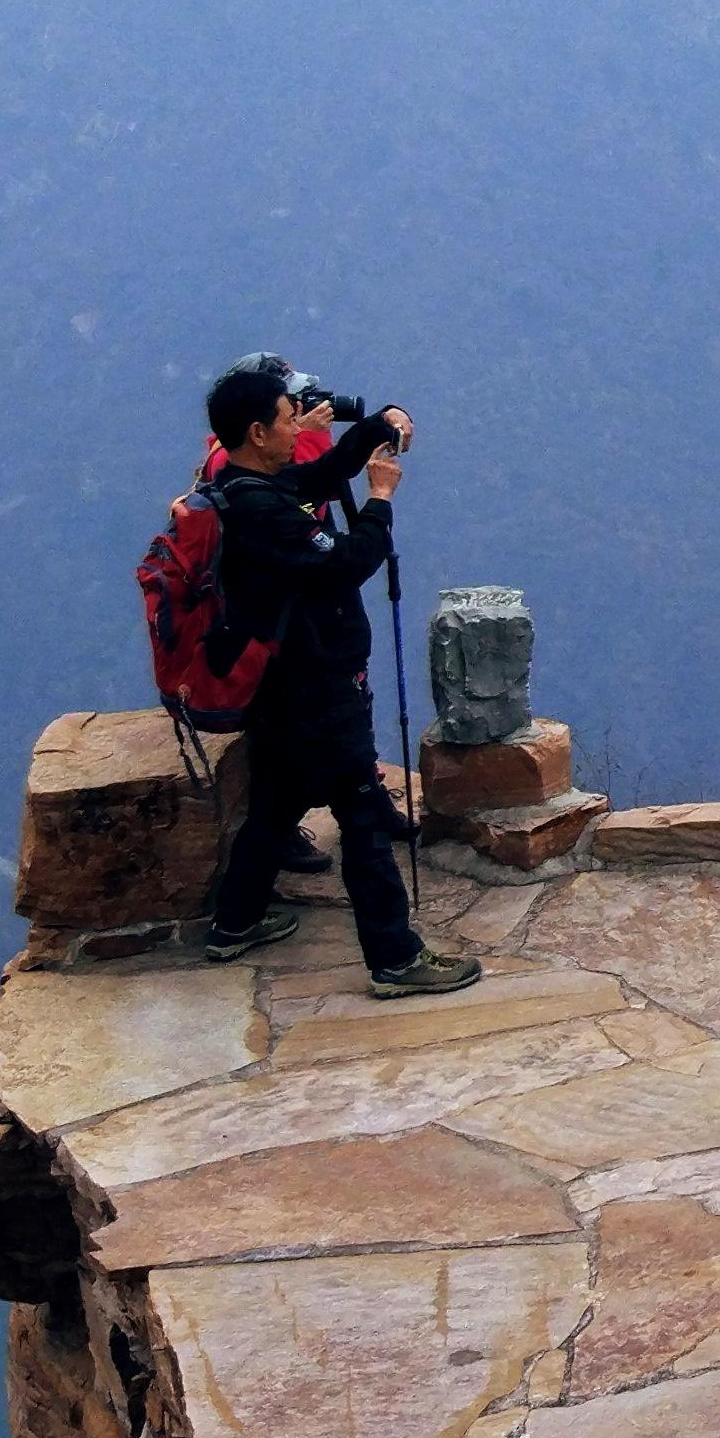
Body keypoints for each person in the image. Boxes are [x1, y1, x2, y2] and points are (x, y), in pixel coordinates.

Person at [196, 366, 482, 998]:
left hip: (279, 685)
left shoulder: (246, 487)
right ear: (257, 432)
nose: (299, 423)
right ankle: (395, 958)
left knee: (277, 798)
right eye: (286, 416)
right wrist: (380, 501)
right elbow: (344, 563)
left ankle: (234, 923)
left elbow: (321, 476)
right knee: (361, 813)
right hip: (314, 685)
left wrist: (380, 424)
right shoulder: (262, 511)